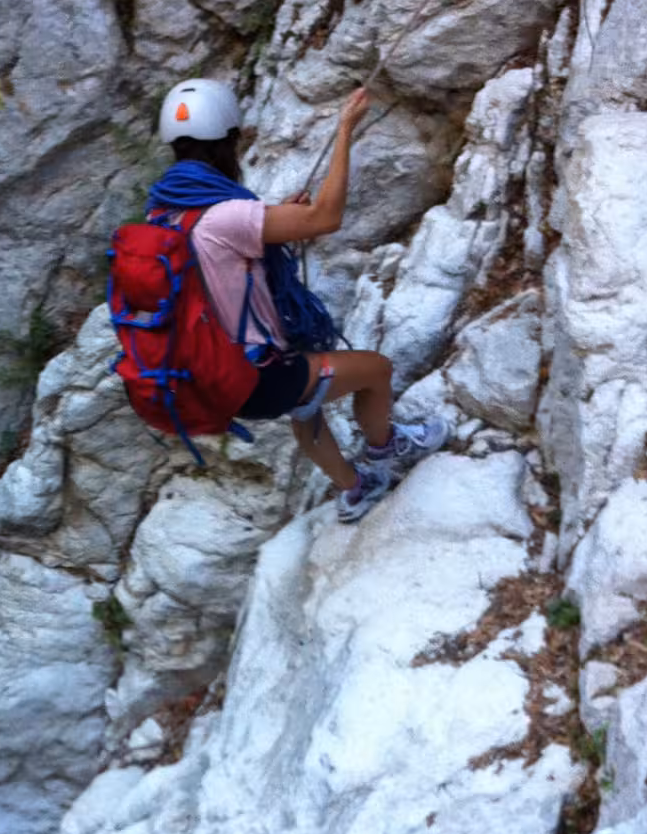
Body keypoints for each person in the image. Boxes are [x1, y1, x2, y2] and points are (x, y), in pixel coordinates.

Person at [150, 77, 447, 522]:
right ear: (228, 141)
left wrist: (275, 220)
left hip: (209, 380)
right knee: (375, 372)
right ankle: (389, 447)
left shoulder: (163, 215)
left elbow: (222, 254)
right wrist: (346, 128)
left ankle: (355, 489)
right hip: (258, 376)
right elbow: (325, 218)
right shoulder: (225, 216)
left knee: (306, 406)